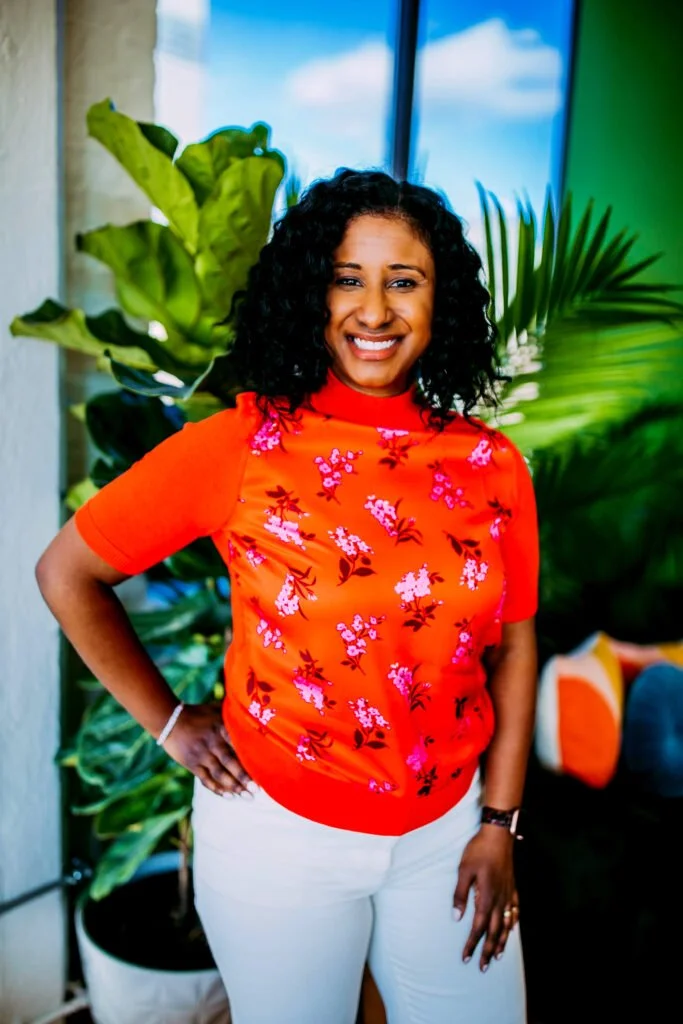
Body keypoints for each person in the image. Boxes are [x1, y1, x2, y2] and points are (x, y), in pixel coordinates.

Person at [36, 169, 539, 1024]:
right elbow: (67, 573)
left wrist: (498, 823)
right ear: (311, 290)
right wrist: (168, 721)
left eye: (402, 282)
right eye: (347, 278)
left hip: (446, 833)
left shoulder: (491, 465)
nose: (373, 310)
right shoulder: (241, 443)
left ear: (438, 300)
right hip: (278, 838)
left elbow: (516, 645)